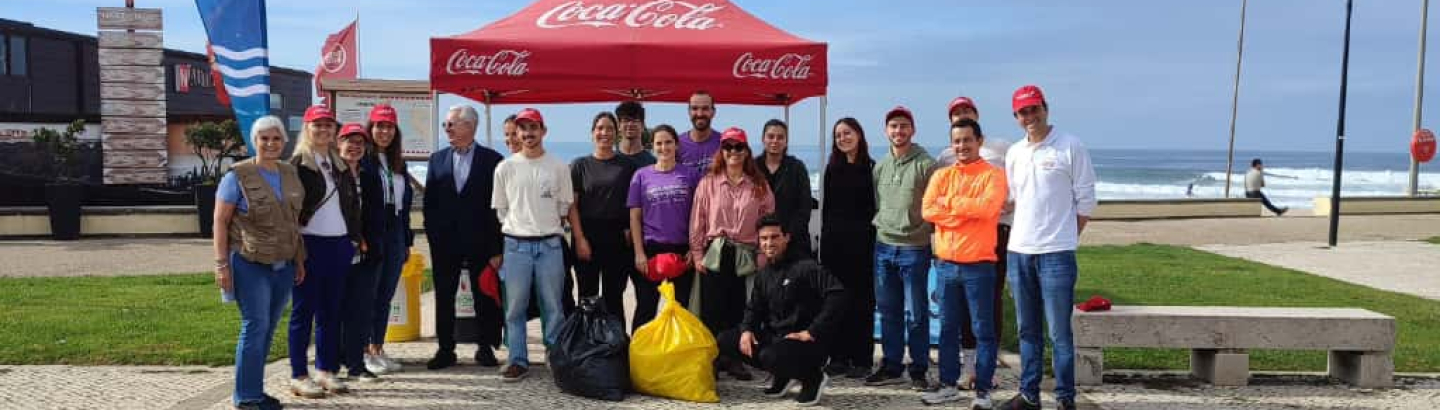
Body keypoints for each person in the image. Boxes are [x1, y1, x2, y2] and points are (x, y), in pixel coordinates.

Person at [1001, 85, 1096, 410]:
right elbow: (1014, 199)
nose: (1030, 116)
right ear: (1016, 116)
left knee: (1059, 334)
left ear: (1046, 108)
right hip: (1019, 252)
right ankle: (1029, 395)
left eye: (1034, 109)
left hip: (1057, 254)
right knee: (1027, 331)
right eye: (1023, 112)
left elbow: (1086, 201)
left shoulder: (1070, 146)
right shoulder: (1014, 153)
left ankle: (1065, 399)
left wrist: (1066, 237)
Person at [213, 115, 305, 410]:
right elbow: (219, 221)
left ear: (284, 141)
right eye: (264, 138)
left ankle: (255, 390)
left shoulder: (290, 173)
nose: (270, 143)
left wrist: (299, 260)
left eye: (276, 138)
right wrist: (221, 265)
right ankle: (246, 397)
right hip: (249, 262)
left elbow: (293, 222)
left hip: (284, 263)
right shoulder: (236, 176)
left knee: (268, 328)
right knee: (255, 325)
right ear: (254, 142)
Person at [920, 119, 1008, 408]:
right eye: (956, 141)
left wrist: (952, 204)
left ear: (979, 141)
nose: (961, 146)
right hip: (945, 264)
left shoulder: (994, 175)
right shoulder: (941, 175)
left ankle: (983, 390)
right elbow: (928, 210)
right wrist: (964, 209)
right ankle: (948, 384)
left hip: (979, 265)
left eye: (967, 140)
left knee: (983, 329)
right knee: (947, 328)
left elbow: (988, 208)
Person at [716, 214, 846, 407]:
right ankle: (783, 375)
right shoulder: (764, 274)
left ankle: (813, 377)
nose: (769, 243)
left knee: (771, 356)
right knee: (726, 340)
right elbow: (754, 308)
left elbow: (837, 294)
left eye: (775, 237)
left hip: (806, 342)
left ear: (786, 237)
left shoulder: (806, 267)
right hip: (778, 340)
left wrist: (812, 331)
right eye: (764, 238)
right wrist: (746, 330)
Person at [934, 96, 1013, 389]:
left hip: (995, 234)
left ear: (977, 115)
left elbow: (1015, 185)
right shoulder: (945, 156)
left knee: (989, 303)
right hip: (956, 240)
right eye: (955, 113)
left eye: (966, 111)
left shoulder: (1002, 148)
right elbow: (933, 203)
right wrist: (967, 207)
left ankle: (987, 369)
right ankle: (969, 368)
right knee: (961, 309)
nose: (961, 115)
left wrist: (1008, 204)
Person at [492, 108, 573, 382]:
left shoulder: (559, 167)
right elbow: (501, 210)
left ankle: (554, 355)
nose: (528, 134)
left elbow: (564, 206)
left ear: (543, 131)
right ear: (516, 133)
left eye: (533, 128)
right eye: (522, 129)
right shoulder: (505, 168)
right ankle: (517, 359)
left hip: (550, 245)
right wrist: (521, 228)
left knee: (553, 305)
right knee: (515, 307)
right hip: (515, 246)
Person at [287, 105, 362, 397]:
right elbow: (289, 210)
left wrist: (353, 239)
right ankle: (298, 374)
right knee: (303, 312)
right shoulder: (297, 164)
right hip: (310, 244)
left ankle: (326, 369)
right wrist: (296, 250)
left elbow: (351, 205)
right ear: (307, 128)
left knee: (331, 312)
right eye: (317, 125)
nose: (323, 130)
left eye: (328, 125)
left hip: (338, 243)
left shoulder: (338, 164)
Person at [424, 105, 506, 370]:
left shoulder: (493, 160)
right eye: (446, 124)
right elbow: (430, 204)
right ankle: (446, 349)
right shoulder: (437, 159)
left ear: (470, 126)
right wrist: (434, 237)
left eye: (452, 124)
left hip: (481, 241)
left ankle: (486, 347)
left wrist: (496, 247)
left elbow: (497, 207)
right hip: (445, 243)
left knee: (484, 295)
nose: (447, 129)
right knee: (444, 296)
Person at [690, 126, 775, 381]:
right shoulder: (708, 183)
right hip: (716, 251)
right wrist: (696, 254)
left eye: (739, 147)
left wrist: (763, 254)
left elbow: (768, 220)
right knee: (712, 310)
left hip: (747, 254)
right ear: (722, 151)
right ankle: (714, 357)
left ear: (747, 151)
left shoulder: (759, 185)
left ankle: (735, 359)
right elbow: (698, 220)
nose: (733, 152)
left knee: (741, 309)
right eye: (728, 147)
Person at [866, 106, 937, 391]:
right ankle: (892, 364)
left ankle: (918, 368)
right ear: (886, 131)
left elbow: (935, 207)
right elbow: (877, 202)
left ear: (913, 130)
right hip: (884, 247)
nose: (898, 131)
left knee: (917, 314)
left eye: (904, 126)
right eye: (894, 126)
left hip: (914, 249)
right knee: (888, 311)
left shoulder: (927, 165)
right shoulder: (880, 166)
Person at [357, 104, 414, 376]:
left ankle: (378, 347)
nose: (384, 131)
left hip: (396, 235)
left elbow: (404, 205)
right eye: (379, 126)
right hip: (373, 235)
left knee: (386, 296)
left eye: (389, 127)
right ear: (371, 129)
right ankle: (365, 351)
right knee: (368, 295)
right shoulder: (364, 162)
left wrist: (407, 242)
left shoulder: (398, 163)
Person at [627, 124, 701, 331]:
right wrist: (639, 253)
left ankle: (679, 355)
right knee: (646, 307)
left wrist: (694, 249)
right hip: (652, 251)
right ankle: (639, 355)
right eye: (659, 143)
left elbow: (700, 215)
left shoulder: (691, 175)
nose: (664, 147)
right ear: (652, 146)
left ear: (676, 145)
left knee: (682, 307)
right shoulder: (641, 175)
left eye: (668, 142)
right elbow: (635, 217)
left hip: (682, 250)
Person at [819, 118, 878, 379]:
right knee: (837, 301)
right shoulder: (831, 169)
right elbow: (827, 211)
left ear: (859, 134)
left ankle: (862, 359)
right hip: (835, 245)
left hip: (863, 245)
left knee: (862, 303)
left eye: (847, 133)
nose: (843, 138)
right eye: (838, 135)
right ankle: (838, 356)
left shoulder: (872, 168)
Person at [569, 112, 639, 322]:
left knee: (613, 297)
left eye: (609, 128)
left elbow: (634, 204)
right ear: (592, 133)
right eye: (600, 128)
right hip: (586, 236)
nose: (604, 133)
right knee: (586, 297)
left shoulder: (628, 166)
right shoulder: (579, 165)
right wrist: (580, 238)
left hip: (617, 239)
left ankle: (615, 347)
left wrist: (629, 230)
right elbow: (572, 206)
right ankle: (586, 348)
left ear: (616, 134)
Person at [334, 124, 384, 383]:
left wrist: (374, 245)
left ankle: (356, 363)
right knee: (335, 309)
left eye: (360, 143)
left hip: (366, 253)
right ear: (338, 142)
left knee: (361, 310)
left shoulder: (370, 174)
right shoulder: (331, 174)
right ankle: (332, 362)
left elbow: (377, 214)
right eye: (349, 141)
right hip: (337, 250)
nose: (354, 147)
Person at [757, 119, 814, 257]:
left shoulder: (797, 167)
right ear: (763, 139)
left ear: (786, 141)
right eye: (770, 136)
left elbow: (805, 206)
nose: (775, 141)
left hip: (794, 241)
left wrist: (787, 236)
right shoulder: (753, 167)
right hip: (762, 243)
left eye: (780, 137)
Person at [678, 91, 722, 173]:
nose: (699, 114)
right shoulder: (677, 144)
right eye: (695, 108)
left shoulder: (724, 143)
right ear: (689, 112)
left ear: (713, 112)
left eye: (705, 108)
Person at [615, 100, 656, 167]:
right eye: (626, 120)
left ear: (642, 126)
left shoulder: (652, 163)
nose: (630, 124)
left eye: (635, 120)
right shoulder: (610, 161)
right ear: (619, 125)